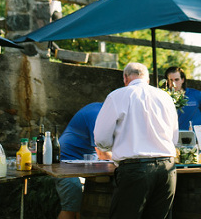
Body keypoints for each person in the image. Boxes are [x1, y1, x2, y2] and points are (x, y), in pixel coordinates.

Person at [94, 62, 179, 219]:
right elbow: (174, 137)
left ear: (125, 78)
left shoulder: (117, 96)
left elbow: (101, 138)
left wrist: (117, 144)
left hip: (135, 169)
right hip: (167, 168)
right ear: (147, 79)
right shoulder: (165, 97)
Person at [55, 102, 109, 219]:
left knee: (84, 208)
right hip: (65, 164)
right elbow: (103, 153)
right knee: (71, 208)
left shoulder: (105, 113)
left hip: (86, 165)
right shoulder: (96, 114)